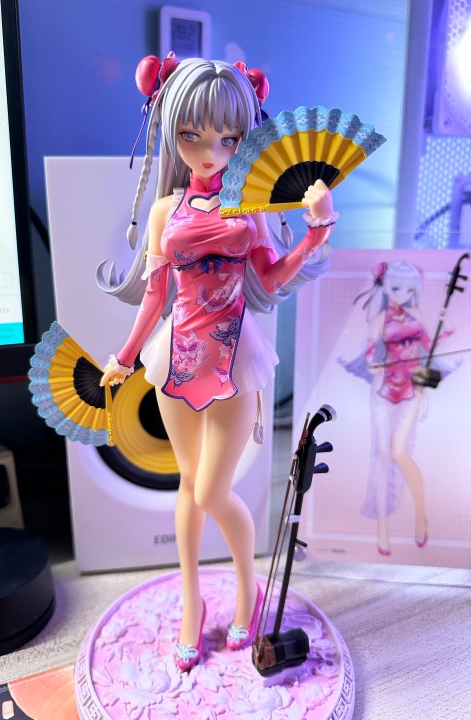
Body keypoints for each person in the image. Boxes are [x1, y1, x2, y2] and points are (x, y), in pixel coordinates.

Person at [99, 56, 336, 671]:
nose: (210, 152)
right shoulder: (164, 212)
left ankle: (246, 589)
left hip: (234, 359)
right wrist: (124, 357)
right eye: (193, 135)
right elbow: (155, 295)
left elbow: (269, 277)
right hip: (176, 359)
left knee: (212, 489)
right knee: (189, 485)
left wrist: (315, 232)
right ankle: (191, 603)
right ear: (172, 131)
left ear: (242, 138)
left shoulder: (248, 209)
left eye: (228, 139)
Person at [340, 260, 453, 556]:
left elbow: (429, 342)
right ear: (387, 286)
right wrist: (374, 364)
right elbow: (369, 355)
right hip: (383, 389)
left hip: (411, 389)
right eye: (398, 288)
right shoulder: (378, 319)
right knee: (381, 456)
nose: (403, 294)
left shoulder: (416, 315)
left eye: (409, 289)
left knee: (399, 452)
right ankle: (382, 527)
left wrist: (444, 328)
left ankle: (420, 516)